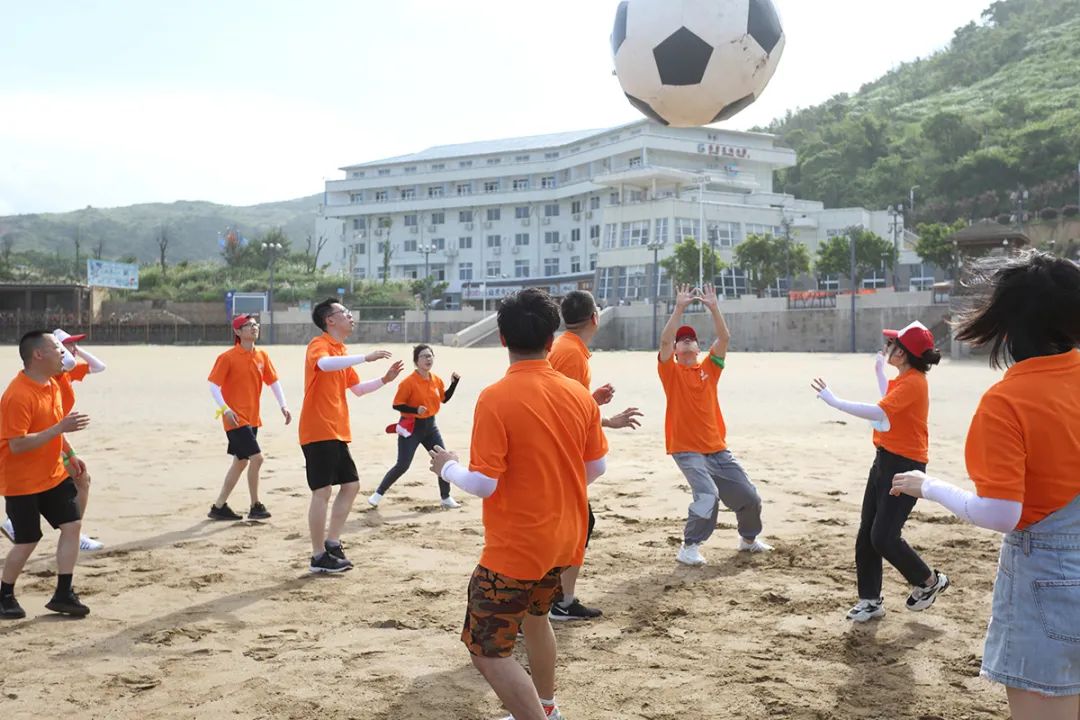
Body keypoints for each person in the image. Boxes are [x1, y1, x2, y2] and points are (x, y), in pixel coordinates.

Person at [891, 251, 1080, 718]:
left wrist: (929, 486)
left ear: (1008, 328)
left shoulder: (1007, 401)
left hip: (1047, 574)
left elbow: (1000, 514)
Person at [429, 287, 608, 720]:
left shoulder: (496, 397)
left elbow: (484, 483)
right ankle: (547, 707)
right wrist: (552, 488)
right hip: (563, 539)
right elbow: (597, 466)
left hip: (516, 547)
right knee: (536, 619)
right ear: (551, 339)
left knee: (486, 651)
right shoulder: (578, 394)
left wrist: (446, 467)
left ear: (502, 338)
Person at [811, 320, 950, 622]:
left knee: (884, 537)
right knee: (867, 533)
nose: (887, 347)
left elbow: (879, 411)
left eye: (892, 344)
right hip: (884, 461)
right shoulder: (906, 379)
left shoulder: (914, 383)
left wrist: (835, 402)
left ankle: (929, 581)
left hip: (906, 468)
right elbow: (889, 400)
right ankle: (870, 601)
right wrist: (878, 373)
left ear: (903, 353)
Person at [546, 290, 642, 621]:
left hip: (562, 457)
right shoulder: (571, 353)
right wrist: (608, 420)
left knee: (577, 524)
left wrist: (593, 402)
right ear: (594, 318)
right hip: (561, 459)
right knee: (575, 526)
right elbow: (564, 412)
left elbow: (568, 402)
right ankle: (558, 601)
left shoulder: (567, 348)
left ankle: (558, 598)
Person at [658, 284, 770, 567]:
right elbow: (664, 341)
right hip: (686, 449)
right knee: (708, 496)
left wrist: (713, 307)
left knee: (749, 497)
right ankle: (689, 546)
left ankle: (748, 540)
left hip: (717, 448)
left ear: (698, 348)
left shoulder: (710, 368)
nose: (685, 341)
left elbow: (724, 337)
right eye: (681, 340)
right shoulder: (671, 371)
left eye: (690, 339)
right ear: (675, 351)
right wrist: (679, 308)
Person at [299, 299, 403, 574]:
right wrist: (365, 357)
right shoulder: (320, 345)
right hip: (317, 428)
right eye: (344, 313)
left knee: (351, 485)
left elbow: (357, 389)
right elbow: (324, 365)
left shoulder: (340, 351)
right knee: (322, 491)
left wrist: (385, 380)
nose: (350, 316)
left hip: (336, 429)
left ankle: (332, 543)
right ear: (330, 320)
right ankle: (318, 555)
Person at [1, 331, 92, 619]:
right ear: (38, 355)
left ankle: (63, 593)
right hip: (21, 481)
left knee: (72, 525)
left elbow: (52, 425)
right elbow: (17, 445)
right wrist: (59, 429)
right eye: (56, 348)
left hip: (52, 473)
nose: (63, 352)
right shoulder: (17, 395)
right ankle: (5, 595)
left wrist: (70, 453)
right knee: (27, 541)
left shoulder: (51, 384)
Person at [1, 328, 105, 551]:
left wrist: (70, 452)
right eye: (63, 346)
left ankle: (71, 530)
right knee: (66, 483)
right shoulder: (51, 376)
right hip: (44, 436)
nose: (69, 350)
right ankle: (71, 532)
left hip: (55, 435)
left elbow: (99, 366)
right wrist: (61, 346)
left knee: (80, 479)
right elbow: (19, 442)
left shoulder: (60, 377)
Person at [206, 314, 291, 521]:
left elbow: (273, 381)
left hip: (252, 418)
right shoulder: (227, 357)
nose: (254, 328)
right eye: (248, 325)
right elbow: (214, 386)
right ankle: (255, 505)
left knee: (241, 462)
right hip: (235, 419)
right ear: (237, 331)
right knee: (257, 458)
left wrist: (283, 405)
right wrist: (225, 409)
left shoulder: (262, 355)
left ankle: (219, 507)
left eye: (255, 324)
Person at [368, 344, 462, 509]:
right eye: (424, 356)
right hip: (411, 427)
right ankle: (378, 494)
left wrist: (454, 384)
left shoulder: (436, 380)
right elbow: (397, 405)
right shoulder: (408, 382)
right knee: (403, 464)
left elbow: (444, 398)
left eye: (430, 356)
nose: (428, 359)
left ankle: (446, 497)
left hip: (431, 427)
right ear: (416, 361)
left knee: (443, 459)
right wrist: (415, 410)